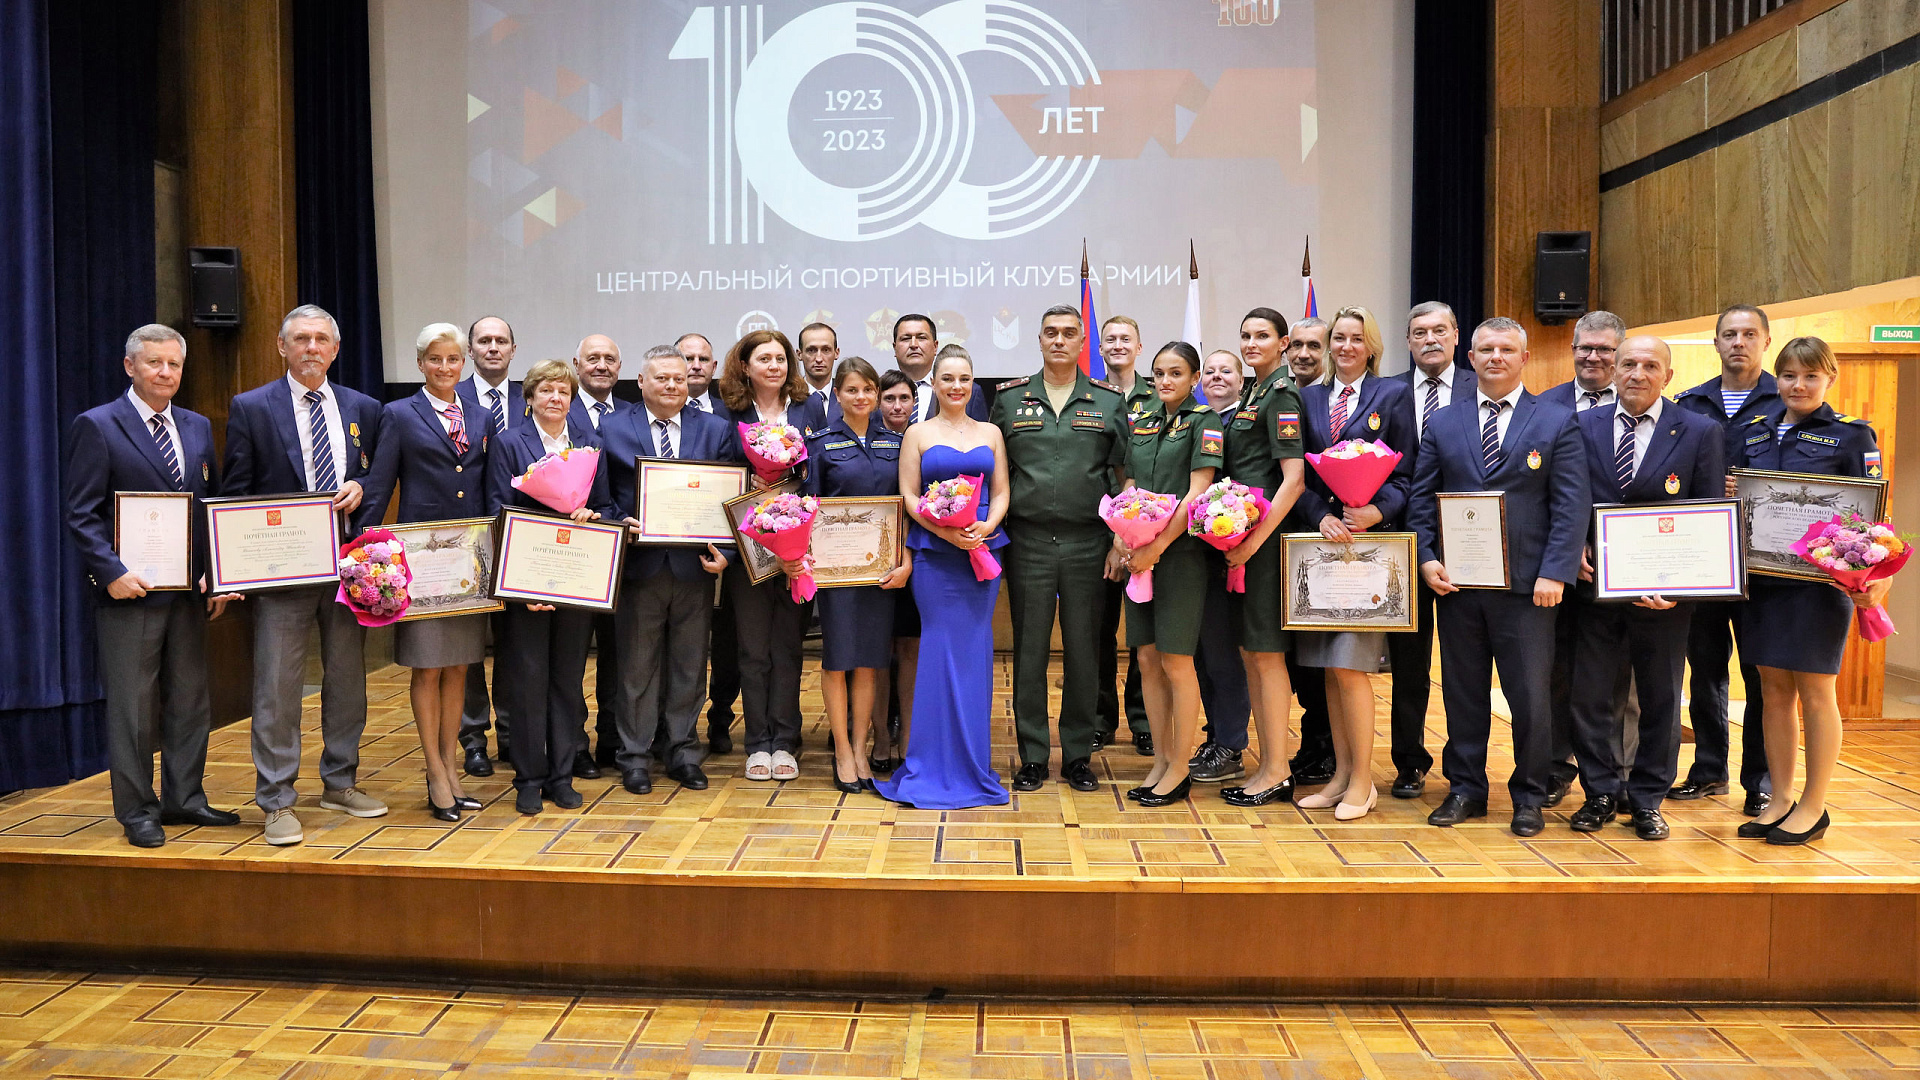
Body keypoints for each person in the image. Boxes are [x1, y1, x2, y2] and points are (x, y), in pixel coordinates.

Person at [64, 324, 241, 848]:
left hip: (187, 592)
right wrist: (111, 573)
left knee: (190, 699)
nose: (165, 373)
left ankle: (185, 798)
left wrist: (213, 572)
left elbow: (205, 506)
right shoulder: (97, 425)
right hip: (130, 594)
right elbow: (80, 514)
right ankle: (138, 810)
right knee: (133, 707)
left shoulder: (197, 425)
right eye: (154, 363)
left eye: (174, 365)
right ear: (130, 367)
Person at [1407, 317, 1584, 837]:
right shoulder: (1443, 422)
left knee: (1530, 697)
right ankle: (1466, 789)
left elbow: (1570, 506)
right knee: (1463, 693)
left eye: (1507, 349)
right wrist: (1425, 557)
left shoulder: (1554, 420)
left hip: (1530, 591)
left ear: (1524, 358)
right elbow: (1422, 498)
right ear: (1471, 357)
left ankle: (1529, 796)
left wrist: (1556, 572)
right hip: (1458, 586)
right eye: (1486, 349)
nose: (1495, 357)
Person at [222, 304, 389, 845]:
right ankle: (275, 800)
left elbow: (373, 476)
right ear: (281, 346)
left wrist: (362, 486)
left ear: (335, 350)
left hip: (348, 571)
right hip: (282, 573)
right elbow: (237, 491)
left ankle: (340, 782)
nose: (311, 347)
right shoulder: (251, 408)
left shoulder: (364, 407)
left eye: (321, 339)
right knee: (277, 687)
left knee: (347, 682)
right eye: (301, 339)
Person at [1567, 336, 1725, 841]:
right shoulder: (1580, 425)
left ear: (1667, 376)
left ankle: (1649, 797)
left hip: (1665, 598)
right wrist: (1572, 550)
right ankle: (1599, 793)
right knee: (1590, 697)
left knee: (1660, 699)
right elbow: (1564, 498)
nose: (1637, 373)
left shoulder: (1699, 431)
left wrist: (1683, 585)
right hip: (1596, 591)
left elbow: (1706, 516)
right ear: (1613, 370)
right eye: (1629, 363)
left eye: (1650, 365)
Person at [1733, 336, 1882, 845]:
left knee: (1816, 694)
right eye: (1790, 375)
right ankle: (1780, 798)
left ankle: (1815, 806)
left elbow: (1871, 519)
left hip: (1818, 588)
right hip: (1762, 582)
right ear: (1777, 379)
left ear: (1829, 380)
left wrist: (1873, 580)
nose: (1799, 385)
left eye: (1810, 376)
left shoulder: (1852, 437)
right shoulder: (1753, 433)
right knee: (1772, 693)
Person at [989, 305, 1129, 794]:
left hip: (1088, 542)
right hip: (1027, 541)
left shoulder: (1108, 401)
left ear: (1082, 340)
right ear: (1039, 338)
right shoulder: (1009, 400)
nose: (1060, 340)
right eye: (1051, 332)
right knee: (1027, 651)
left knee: (1085, 651)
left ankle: (1076, 755)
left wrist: (1119, 538)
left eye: (1070, 333)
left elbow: (1122, 476)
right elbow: (994, 472)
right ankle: (1031, 755)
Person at [358, 323, 492, 822]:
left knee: (459, 666)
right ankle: (434, 770)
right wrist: (366, 552)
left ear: (464, 364)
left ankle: (453, 768)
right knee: (428, 666)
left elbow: (485, 485)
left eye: (454, 359)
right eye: (435, 358)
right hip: (420, 562)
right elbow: (379, 484)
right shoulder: (398, 414)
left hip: (467, 562)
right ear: (420, 364)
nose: (445, 367)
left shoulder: (481, 415)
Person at [1289, 306, 1415, 821]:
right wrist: (1321, 516)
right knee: (1326, 669)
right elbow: (1298, 478)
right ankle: (1340, 776)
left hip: (1369, 549)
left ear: (1372, 347)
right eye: (1336, 338)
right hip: (1320, 551)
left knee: (1350, 666)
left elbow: (1410, 473)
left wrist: (1375, 508)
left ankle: (1363, 782)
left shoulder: (1394, 396)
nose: (1344, 347)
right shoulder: (1306, 398)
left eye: (1354, 339)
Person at [876, 350, 1011, 808]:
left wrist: (987, 527)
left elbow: (1002, 490)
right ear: (933, 382)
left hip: (980, 552)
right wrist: (944, 532)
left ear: (975, 384)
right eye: (948, 378)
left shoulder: (991, 433)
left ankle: (971, 763)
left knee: (974, 652)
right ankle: (931, 763)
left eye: (965, 378)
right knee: (936, 650)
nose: (957, 386)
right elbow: (909, 497)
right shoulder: (917, 432)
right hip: (935, 557)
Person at [599, 345, 733, 795]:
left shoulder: (714, 429)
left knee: (690, 667)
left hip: (695, 566)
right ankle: (634, 756)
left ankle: (682, 751)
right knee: (636, 669)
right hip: (639, 566)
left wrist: (728, 553)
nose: (673, 385)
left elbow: (733, 499)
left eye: (679, 378)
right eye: (662, 378)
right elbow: (603, 496)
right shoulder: (613, 427)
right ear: (641, 382)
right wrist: (620, 522)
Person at [484, 359, 614, 815]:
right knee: (527, 681)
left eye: (564, 391)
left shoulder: (590, 444)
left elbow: (606, 504)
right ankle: (528, 777)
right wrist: (524, 581)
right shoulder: (507, 443)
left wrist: (593, 515)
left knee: (566, 681)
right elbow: (498, 507)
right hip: (528, 581)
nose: (556, 398)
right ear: (530, 398)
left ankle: (561, 775)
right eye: (546, 390)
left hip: (576, 579)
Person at [1672, 304, 1779, 815]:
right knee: (1706, 666)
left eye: (1749, 334)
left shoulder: (1788, 400)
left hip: (1764, 562)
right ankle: (1708, 769)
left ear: (1766, 341)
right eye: (1729, 334)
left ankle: (1759, 779)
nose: (1739, 342)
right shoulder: (1690, 404)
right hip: (1704, 556)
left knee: (1761, 673)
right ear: (1715, 342)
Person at [1115, 342, 1224, 807]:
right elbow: (1130, 485)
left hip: (1179, 557)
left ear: (1194, 377)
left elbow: (1199, 491)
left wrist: (1158, 546)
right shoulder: (1143, 422)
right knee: (1145, 658)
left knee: (1177, 660)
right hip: (1138, 556)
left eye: (1175, 373)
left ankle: (1181, 765)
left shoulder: (1206, 422)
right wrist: (1124, 535)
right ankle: (1160, 758)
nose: (1164, 381)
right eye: (1158, 373)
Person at [1540, 310, 1639, 808]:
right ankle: (1558, 765)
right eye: (1585, 347)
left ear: (1619, 356)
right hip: (1561, 563)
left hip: (1624, 565)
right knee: (1558, 669)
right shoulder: (1545, 405)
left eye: (1604, 349)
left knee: (1621, 679)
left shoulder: (1639, 405)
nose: (1593, 356)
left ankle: (1618, 775)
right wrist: (1570, 544)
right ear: (1572, 349)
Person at [801, 357, 913, 792]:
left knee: (869, 662)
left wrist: (905, 560)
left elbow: (904, 510)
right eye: (852, 390)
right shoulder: (822, 444)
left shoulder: (896, 443)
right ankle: (843, 752)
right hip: (835, 575)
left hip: (880, 572)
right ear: (839, 395)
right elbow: (809, 510)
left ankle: (863, 749)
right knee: (837, 660)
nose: (862, 397)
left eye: (869, 389)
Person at [1214, 310, 1309, 808]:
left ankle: (1277, 769)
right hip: (1243, 542)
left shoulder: (1282, 396)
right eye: (1245, 335)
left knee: (1267, 654)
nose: (1251, 343)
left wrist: (1254, 542)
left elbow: (1293, 479)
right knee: (1251, 652)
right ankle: (1267, 763)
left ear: (1283, 343)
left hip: (1266, 544)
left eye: (1262, 336)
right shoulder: (1252, 394)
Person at [714, 329, 817, 780]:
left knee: (789, 645)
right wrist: (746, 483)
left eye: (780, 359)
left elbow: (822, 471)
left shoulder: (810, 408)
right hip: (748, 546)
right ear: (745, 366)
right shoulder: (726, 413)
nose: (774, 366)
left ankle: (786, 739)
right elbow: (715, 476)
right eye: (764, 359)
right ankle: (758, 741)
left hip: (797, 545)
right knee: (753, 648)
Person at [1383, 301, 1476, 798]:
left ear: (1456, 335)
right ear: (1408, 340)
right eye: (1419, 332)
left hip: (1470, 545)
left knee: (1465, 666)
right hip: (1403, 542)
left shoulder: (1479, 386)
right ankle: (1409, 761)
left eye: (1440, 329)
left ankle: (1466, 767)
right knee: (1409, 666)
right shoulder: (1388, 392)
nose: (1430, 339)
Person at [1187, 349, 1256, 782]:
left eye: (1225, 370)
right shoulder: (1189, 422)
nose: (1217, 377)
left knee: (1224, 656)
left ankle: (1231, 744)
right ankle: (1215, 736)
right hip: (1192, 555)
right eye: (1209, 371)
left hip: (1234, 553)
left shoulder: (1246, 421)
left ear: (1241, 378)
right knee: (1201, 656)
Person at [457, 315, 521, 779]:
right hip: (467, 539)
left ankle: (515, 734)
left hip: (521, 539)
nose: (493, 348)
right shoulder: (449, 398)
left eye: (501, 341)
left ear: (513, 350)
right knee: (469, 647)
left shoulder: (533, 397)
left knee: (517, 645)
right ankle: (473, 738)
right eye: (485, 341)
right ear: (471, 350)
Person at [565, 334, 628, 781]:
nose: (601, 365)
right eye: (593, 358)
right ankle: (573, 744)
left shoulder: (629, 416)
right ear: (576, 365)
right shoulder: (556, 410)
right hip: (567, 557)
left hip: (623, 555)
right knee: (571, 657)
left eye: (609, 359)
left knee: (617, 655)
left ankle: (611, 738)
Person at [1095, 315, 1157, 754]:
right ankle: (1100, 718)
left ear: (1139, 347)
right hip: (1100, 534)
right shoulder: (1090, 398)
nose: (1117, 345)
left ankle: (1143, 719)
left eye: (1125, 339)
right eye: (1109, 339)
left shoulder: (1160, 397)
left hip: (1150, 534)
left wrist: (1137, 535)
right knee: (1097, 631)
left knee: (1142, 632)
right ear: (1099, 350)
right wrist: (1113, 537)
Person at [674, 330, 737, 756]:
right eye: (687, 359)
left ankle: (719, 720)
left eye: (703, 359)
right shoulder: (642, 415)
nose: (695, 365)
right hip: (671, 556)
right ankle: (673, 728)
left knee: (728, 642)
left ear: (715, 368)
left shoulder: (733, 413)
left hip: (721, 550)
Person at [871, 368, 919, 767]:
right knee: (878, 649)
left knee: (909, 647)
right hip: (872, 559)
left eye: (904, 399)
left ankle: (908, 733)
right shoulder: (868, 441)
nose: (897, 406)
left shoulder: (923, 440)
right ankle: (881, 736)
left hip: (917, 557)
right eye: (889, 399)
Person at [893, 313, 989, 422]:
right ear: (895, 347)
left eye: (921, 338)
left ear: (935, 346)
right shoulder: (878, 391)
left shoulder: (970, 391)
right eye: (906, 338)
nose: (913, 344)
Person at [797, 322, 840, 427]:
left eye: (826, 350)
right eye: (811, 350)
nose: (819, 359)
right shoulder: (787, 398)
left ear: (836, 353)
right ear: (799, 354)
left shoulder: (848, 397)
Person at [1287, 317, 1330, 388]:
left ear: (1329, 351)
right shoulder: (1279, 394)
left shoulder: (1337, 396)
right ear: (1287, 350)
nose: (1303, 355)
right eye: (1297, 345)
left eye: (1314, 346)